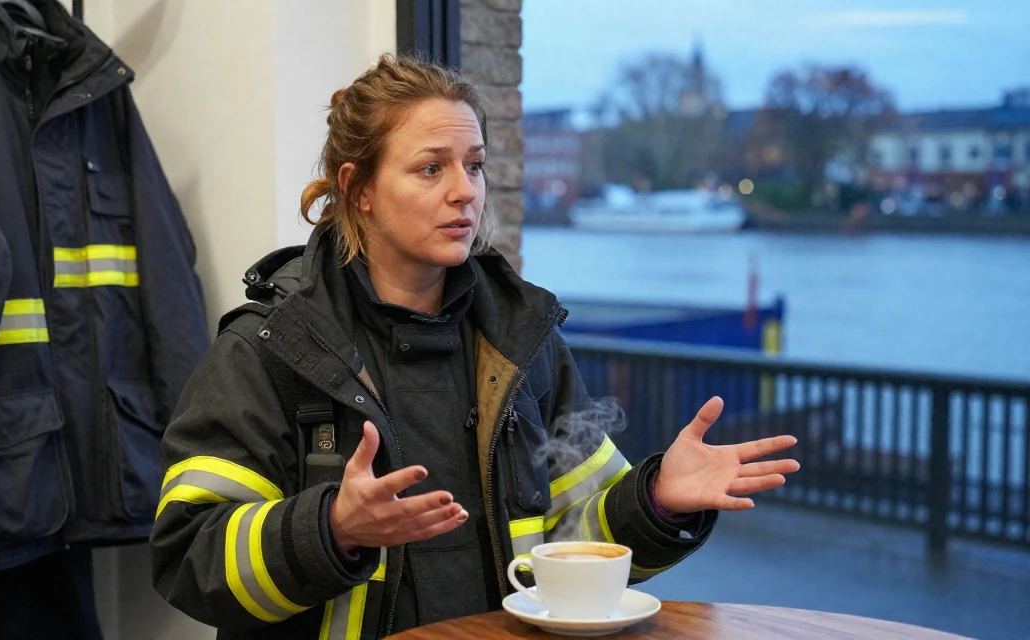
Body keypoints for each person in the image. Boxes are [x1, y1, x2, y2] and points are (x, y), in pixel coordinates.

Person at [150, 54, 799, 640]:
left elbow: (576, 542)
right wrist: (332, 529)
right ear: (359, 189)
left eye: (475, 165)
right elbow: (188, 559)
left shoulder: (523, 341)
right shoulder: (269, 347)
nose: (465, 191)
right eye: (431, 168)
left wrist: (656, 500)